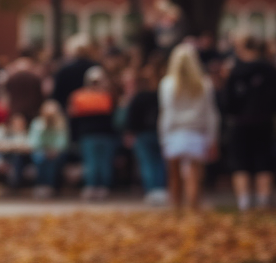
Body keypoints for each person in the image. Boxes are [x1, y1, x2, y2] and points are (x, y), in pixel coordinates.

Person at [223, 37, 276, 210]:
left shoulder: (235, 72)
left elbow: (228, 102)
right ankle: (263, 201)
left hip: (240, 122)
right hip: (264, 121)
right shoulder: (271, 71)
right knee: (263, 160)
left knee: (240, 162)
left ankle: (244, 203)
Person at [159, 42, 220, 211]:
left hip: (174, 132)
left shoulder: (167, 84)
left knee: (174, 175)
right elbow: (211, 114)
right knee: (194, 174)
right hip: (196, 132)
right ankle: (194, 208)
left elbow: (166, 113)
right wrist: (212, 137)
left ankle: (176, 208)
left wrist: (163, 137)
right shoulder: (204, 83)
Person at [67, 65, 117, 200]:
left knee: (96, 163)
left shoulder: (79, 96)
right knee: (95, 163)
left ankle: (96, 186)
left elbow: (73, 118)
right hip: (96, 135)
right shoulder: (108, 96)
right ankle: (97, 186)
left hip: (93, 135)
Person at [124, 63, 167, 205]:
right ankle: (160, 190)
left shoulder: (139, 97)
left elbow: (131, 117)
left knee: (147, 163)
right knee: (159, 162)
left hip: (142, 135)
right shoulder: (161, 95)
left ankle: (151, 190)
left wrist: (131, 132)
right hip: (159, 133)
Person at [29, 99, 69, 198]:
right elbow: (33, 142)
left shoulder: (61, 123)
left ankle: (50, 186)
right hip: (41, 150)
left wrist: (55, 150)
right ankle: (42, 185)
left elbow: (63, 142)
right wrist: (42, 129)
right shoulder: (37, 123)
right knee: (40, 158)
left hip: (56, 151)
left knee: (53, 161)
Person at [51, 34, 98, 111]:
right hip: (93, 110)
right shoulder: (96, 67)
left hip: (70, 110)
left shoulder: (64, 69)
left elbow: (57, 95)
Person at [0, 113, 35, 192]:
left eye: (20, 122)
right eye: (16, 122)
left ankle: (13, 185)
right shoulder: (6, 133)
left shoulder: (27, 133)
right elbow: (0, 146)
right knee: (14, 158)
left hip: (24, 161)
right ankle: (13, 185)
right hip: (6, 159)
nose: (18, 124)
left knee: (17, 158)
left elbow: (29, 147)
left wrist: (14, 146)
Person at [4, 50, 46, 124]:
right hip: (32, 110)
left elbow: (7, 93)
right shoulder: (34, 77)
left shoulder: (12, 77)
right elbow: (40, 95)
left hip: (15, 110)